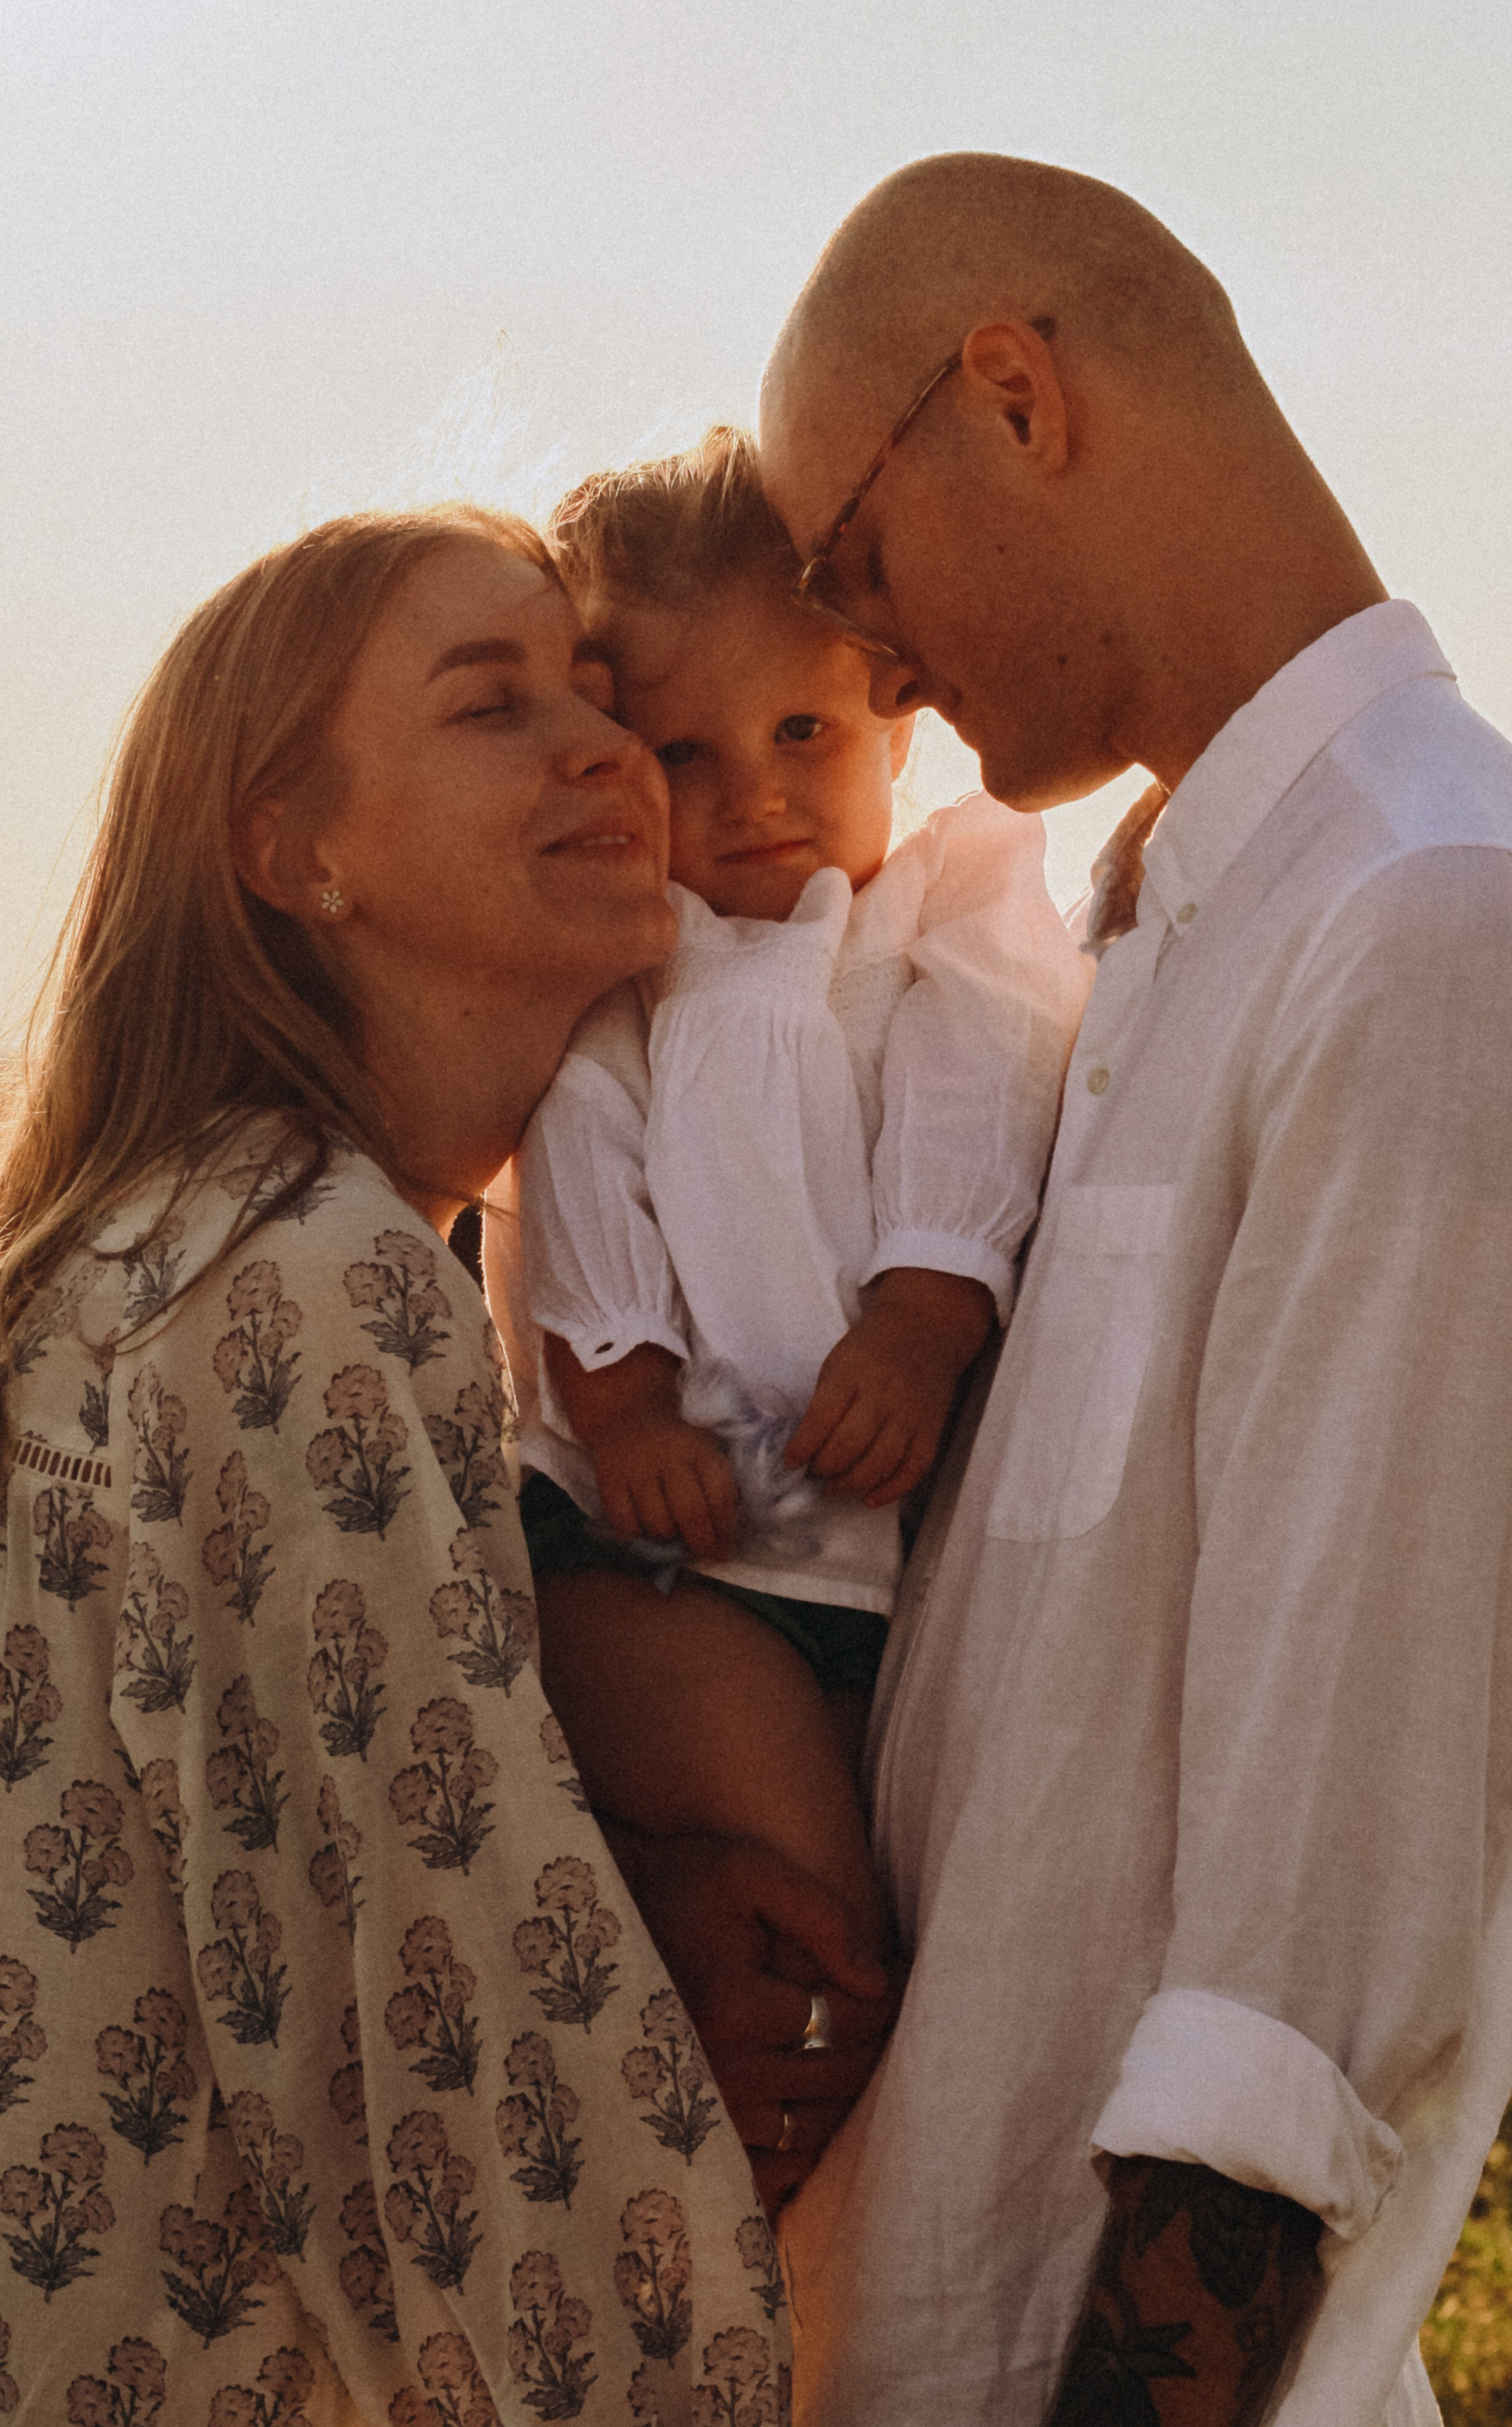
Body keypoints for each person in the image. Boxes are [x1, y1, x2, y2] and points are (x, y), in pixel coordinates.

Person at [752, 153, 1512, 2427]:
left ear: (1012, 398)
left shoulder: (1439, 920)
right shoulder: (1145, 944)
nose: (868, 656)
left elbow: (1306, 1970)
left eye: (856, 562)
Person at [0, 507, 885, 2423]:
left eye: (596, 693)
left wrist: (620, 1884)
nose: (607, 751)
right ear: (293, 851)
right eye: (494, 707)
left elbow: (258, 1874)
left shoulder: (194, 1247)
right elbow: (433, 2083)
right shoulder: (302, 1278)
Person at [482, 430, 1087, 2021]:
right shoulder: (639, 965)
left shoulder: (945, 901)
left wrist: (924, 1310)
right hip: (660, 1542)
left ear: (894, 710)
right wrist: (616, 1405)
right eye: (682, 757)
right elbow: (580, 1154)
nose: (750, 800)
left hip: (867, 1562)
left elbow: (992, 1076)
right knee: (803, 1917)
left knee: (862, 1908)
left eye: (799, 729)